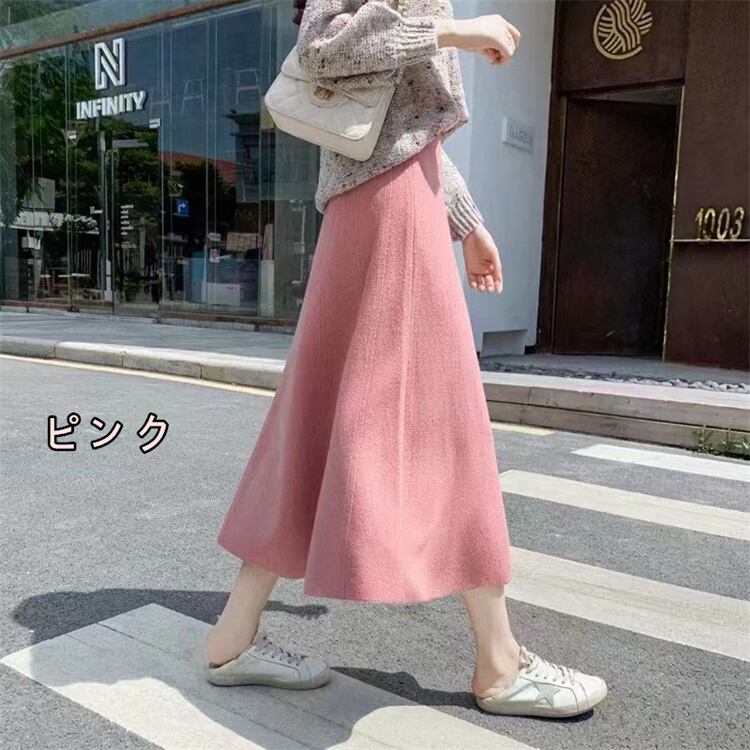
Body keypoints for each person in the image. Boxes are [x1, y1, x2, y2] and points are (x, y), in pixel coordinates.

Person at [203, 0, 607, 719]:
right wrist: (455, 31)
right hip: (389, 211)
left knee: (318, 415)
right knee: (446, 422)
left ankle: (233, 637)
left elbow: (403, 127)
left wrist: (467, 223)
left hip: (389, 202)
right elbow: (323, 46)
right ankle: (499, 662)